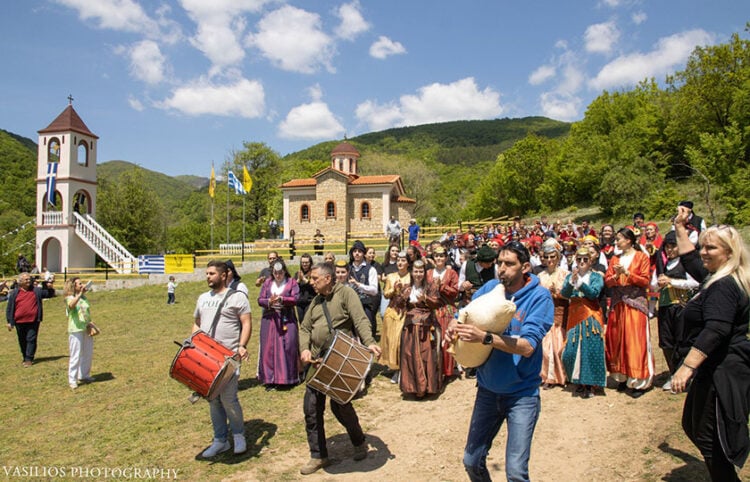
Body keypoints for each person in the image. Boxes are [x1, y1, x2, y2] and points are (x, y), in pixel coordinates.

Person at [447, 241, 553, 482]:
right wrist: (454, 325)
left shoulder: (540, 298)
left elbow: (527, 347)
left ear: (525, 267)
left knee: (515, 473)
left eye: (509, 264)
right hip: (487, 390)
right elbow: (464, 314)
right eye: (499, 263)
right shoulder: (490, 288)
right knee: (471, 461)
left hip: (522, 396)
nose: (501, 268)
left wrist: (485, 338)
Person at [670, 208, 750, 481]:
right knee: (694, 426)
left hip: (722, 371)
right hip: (713, 367)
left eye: (711, 248)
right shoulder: (715, 276)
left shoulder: (724, 286)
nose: (703, 252)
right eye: (703, 246)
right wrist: (680, 226)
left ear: (729, 252)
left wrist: (686, 367)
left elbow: (716, 329)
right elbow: (691, 259)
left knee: (710, 437)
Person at [298, 262, 381, 475]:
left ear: (328, 278)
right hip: (316, 363)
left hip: (338, 359)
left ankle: (358, 441)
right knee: (311, 410)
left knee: (341, 407)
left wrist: (369, 341)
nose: (311, 282)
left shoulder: (346, 294)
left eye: (315, 278)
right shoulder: (315, 302)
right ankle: (319, 456)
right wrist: (305, 350)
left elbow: (360, 319)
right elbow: (305, 328)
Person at [193, 261, 252, 458]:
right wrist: (193, 345)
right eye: (206, 273)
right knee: (213, 400)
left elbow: (246, 323)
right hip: (206, 357)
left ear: (223, 275)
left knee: (228, 398)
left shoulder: (238, 298)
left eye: (211, 273)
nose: (208, 276)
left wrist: (242, 346)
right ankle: (220, 440)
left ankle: (238, 435)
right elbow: (197, 324)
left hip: (229, 357)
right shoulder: (202, 298)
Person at [604, 227, 654, 398]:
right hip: (618, 305)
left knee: (635, 340)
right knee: (619, 340)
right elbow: (608, 281)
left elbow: (645, 280)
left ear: (629, 240)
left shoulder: (641, 257)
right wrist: (616, 276)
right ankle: (622, 377)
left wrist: (628, 273)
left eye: (619, 239)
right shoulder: (615, 259)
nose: (616, 242)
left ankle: (638, 381)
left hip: (634, 304)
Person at [651, 231, 699, 390]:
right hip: (665, 306)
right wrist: (659, 282)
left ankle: (685, 374)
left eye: (673, 247)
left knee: (682, 340)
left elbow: (694, 283)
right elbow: (652, 284)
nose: (670, 250)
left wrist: (672, 281)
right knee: (666, 342)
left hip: (681, 306)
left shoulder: (686, 264)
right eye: (667, 247)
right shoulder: (662, 265)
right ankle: (673, 373)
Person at [560, 247, 606, 399]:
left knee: (590, 348)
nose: (581, 262)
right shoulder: (570, 276)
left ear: (591, 261)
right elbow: (564, 294)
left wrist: (580, 284)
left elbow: (594, 293)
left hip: (590, 313)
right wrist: (571, 283)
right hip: (574, 314)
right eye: (578, 259)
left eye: (585, 259)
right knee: (571, 350)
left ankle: (590, 384)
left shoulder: (596, 277)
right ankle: (578, 380)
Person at [399, 259, 442, 398]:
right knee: (409, 355)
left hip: (426, 326)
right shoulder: (406, 287)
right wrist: (402, 298)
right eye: (416, 271)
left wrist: (425, 299)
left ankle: (427, 387)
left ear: (424, 272)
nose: (418, 274)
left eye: (421, 271)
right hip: (410, 326)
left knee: (425, 356)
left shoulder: (431, 286)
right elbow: (398, 306)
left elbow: (436, 303)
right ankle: (413, 386)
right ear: (412, 272)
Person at [257, 260, 300, 391]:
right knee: (268, 348)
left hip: (287, 319)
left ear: (284, 271)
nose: (278, 275)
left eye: (280, 273)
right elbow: (260, 299)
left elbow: (296, 298)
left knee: (287, 347)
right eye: (275, 273)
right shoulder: (267, 283)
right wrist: (269, 302)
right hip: (270, 319)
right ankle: (270, 379)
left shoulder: (291, 282)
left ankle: (287, 378)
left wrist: (283, 299)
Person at [538, 242, 569, 390]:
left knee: (557, 347)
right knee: (545, 348)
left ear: (558, 258)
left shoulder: (564, 274)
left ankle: (559, 376)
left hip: (560, 312)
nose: (549, 260)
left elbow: (569, 294)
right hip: (544, 313)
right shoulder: (540, 276)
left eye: (552, 257)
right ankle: (546, 376)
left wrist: (557, 292)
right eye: (547, 257)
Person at [426, 246, 460, 378]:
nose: (439, 258)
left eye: (441, 256)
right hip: (431, 309)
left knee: (445, 341)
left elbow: (455, 292)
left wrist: (442, 286)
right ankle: (432, 369)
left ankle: (446, 370)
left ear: (446, 258)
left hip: (446, 309)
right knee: (432, 340)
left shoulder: (451, 273)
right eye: (436, 256)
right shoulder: (428, 273)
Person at [381, 251, 411, 383]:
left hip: (406, 312)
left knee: (401, 341)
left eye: (403, 260)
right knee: (391, 340)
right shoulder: (391, 277)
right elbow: (386, 294)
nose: (400, 262)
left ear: (408, 263)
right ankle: (395, 367)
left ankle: (403, 368)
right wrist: (394, 289)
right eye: (398, 260)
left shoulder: (412, 277)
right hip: (392, 312)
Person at [6, 272, 44, 367]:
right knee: (22, 340)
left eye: (29, 279)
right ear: (20, 282)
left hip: (33, 320)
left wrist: (47, 283)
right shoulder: (15, 293)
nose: (28, 281)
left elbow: (48, 293)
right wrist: (9, 321)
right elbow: (10, 308)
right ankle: (25, 356)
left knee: (31, 339)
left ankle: (29, 358)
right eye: (26, 279)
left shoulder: (36, 291)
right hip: (19, 321)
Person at [64, 277, 95, 389]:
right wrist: (79, 295)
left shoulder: (83, 298)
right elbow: (71, 306)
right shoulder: (69, 298)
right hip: (75, 329)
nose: (82, 285)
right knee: (75, 354)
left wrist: (90, 323)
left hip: (85, 327)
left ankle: (84, 374)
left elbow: (86, 311)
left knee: (87, 352)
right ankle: (72, 379)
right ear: (73, 286)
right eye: (79, 284)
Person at [348, 240, 380, 338]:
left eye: (360, 251)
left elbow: (374, 290)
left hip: (365, 304)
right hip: (350, 305)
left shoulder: (371, 269)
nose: (357, 253)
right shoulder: (347, 268)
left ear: (364, 254)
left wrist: (358, 285)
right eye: (355, 251)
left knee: (366, 331)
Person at [295, 254, 316, 322]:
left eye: (306, 262)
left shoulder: (313, 273)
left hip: (309, 301)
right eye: (303, 262)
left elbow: (315, 286)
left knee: (308, 321)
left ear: (310, 263)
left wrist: (304, 279)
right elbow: (293, 287)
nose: (304, 264)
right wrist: (298, 280)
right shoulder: (297, 273)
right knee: (301, 321)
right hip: (299, 302)